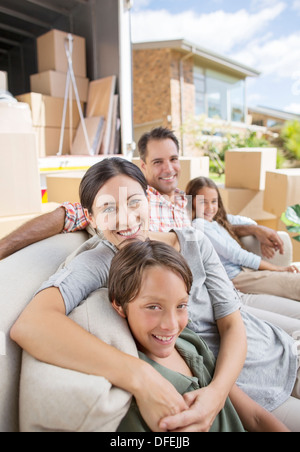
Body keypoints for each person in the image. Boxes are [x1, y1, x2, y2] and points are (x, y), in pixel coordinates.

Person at [10, 158, 300, 431]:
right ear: (92, 219)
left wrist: (217, 393)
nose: (126, 218)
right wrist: (140, 376)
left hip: (270, 350)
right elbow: (31, 324)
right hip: (243, 388)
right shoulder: (98, 262)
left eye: (134, 201)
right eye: (108, 208)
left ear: (148, 200)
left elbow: (233, 323)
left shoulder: (194, 241)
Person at [0, 127, 284, 260]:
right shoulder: (134, 199)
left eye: (173, 159)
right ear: (143, 166)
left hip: (212, 276)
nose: (169, 168)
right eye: (158, 162)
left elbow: (215, 218)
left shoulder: (182, 200)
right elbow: (68, 214)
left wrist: (256, 229)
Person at [109, 239, 289, 432]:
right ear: (119, 305)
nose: (171, 325)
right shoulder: (141, 397)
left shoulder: (189, 341)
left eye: (181, 305)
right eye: (153, 307)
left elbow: (255, 417)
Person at [186, 176, 300, 305]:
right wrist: (277, 268)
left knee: (293, 282)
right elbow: (235, 255)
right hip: (237, 277)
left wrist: (258, 231)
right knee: (294, 283)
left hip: (245, 272)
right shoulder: (199, 225)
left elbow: (248, 222)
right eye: (203, 202)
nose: (210, 207)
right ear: (191, 202)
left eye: (214, 201)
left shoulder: (215, 222)